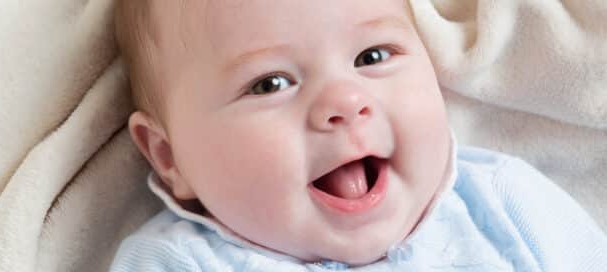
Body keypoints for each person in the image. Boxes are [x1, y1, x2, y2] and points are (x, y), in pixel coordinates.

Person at [109, 0, 607, 270]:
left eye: (372, 56)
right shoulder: (178, 263)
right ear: (169, 156)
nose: (344, 104)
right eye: (270, 84)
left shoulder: (503, 204)